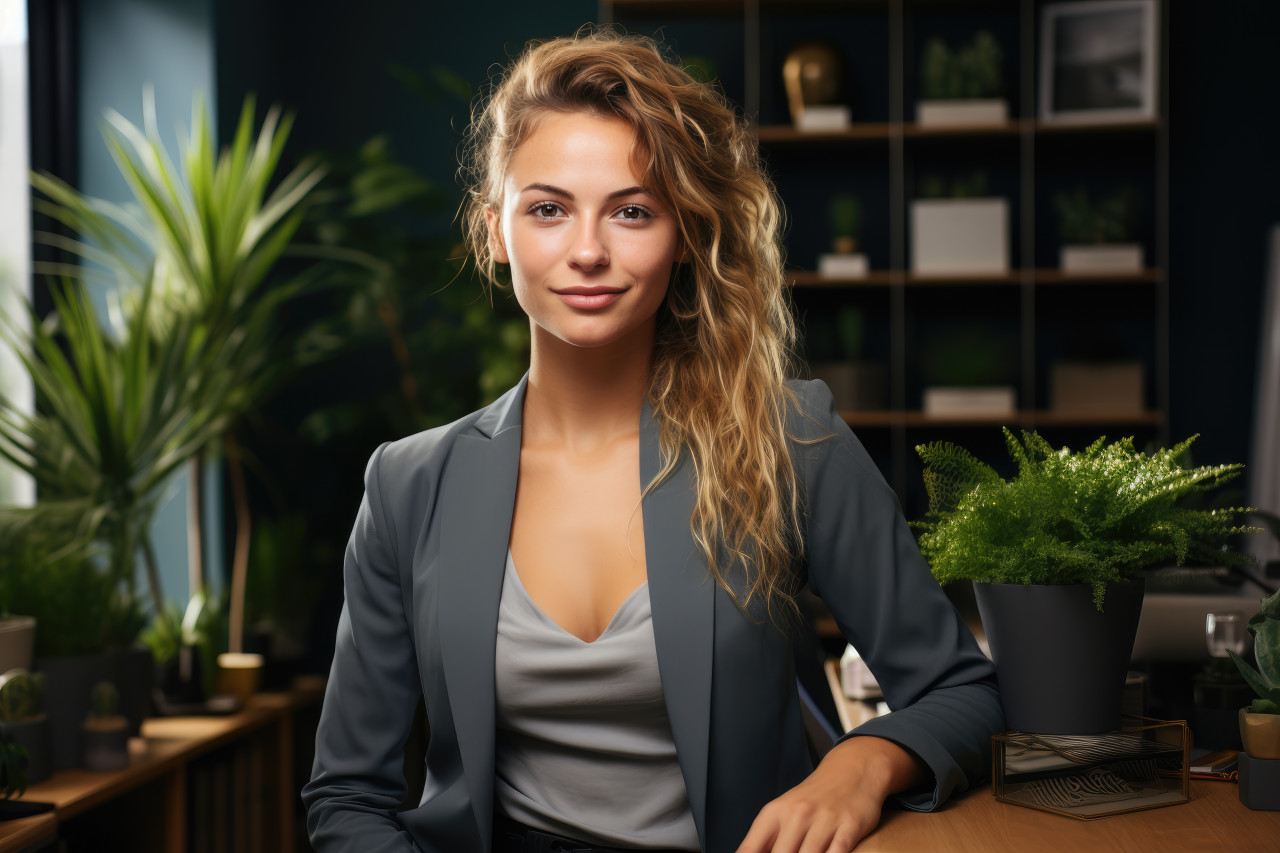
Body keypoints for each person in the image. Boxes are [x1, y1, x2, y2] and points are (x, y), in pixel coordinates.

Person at [303, 28, 1002, 853]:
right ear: (494, 232)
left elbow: (964, 690)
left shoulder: (787, 439)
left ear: (684, 236)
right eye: (549, 209)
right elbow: (347, 797)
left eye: (632, 211)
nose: (589, 251)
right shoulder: (408, 485)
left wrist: (861, 763)